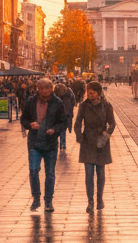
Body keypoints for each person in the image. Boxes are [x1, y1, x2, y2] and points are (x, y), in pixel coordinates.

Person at [20, 78, 68, 212]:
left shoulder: (57, 103)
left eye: (47, 88)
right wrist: (30, 124)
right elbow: (23, 119)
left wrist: (54, 129)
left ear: (51, 89)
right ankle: (36, 198)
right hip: (34, 142)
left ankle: (48, 201)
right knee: (33, 171)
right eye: (41, 88)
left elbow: (64, 122)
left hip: (50, 142)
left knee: (50, 173)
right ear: (38, 89)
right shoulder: (31, 102)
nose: (44, 91)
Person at [75, 80, 116, 213]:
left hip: (101, 141)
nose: (89, 95)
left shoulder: (107, 106)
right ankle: (90, 202)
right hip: (88, 141)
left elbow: (112, 123)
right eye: (88, 92)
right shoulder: (84, 106)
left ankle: (99, 199)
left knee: (100, 172)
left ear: (98, 93)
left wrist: (106, 135)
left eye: (92, 93)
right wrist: (79, 136)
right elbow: (77, 122)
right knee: (88, 173)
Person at [54, 82, 76, 156]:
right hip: (67, 113)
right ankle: (62, 145)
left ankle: (57, 143)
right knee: (63, 130)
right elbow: (73, 101)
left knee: (57, 129)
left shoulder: (55, 93)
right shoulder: (69, 91)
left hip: (57, 114)